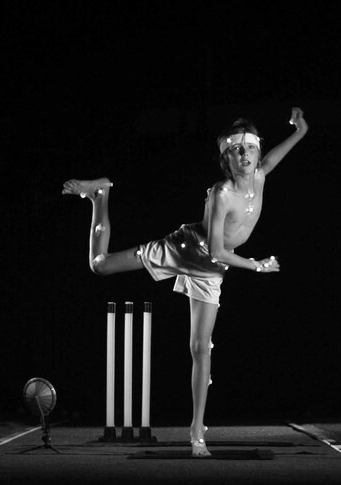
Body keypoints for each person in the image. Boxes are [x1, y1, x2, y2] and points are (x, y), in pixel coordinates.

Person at [62, 107, 308, 456]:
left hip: (209, 272)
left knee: (199, 348)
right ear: (227, 157)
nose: (245, 154)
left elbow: (273, 159)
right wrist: (257, 266)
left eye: (250, 148)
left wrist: (300, 131)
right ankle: (100, 195)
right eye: (237, 149)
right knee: (99, 265)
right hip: (185, 249)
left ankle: (197, 431)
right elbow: (220, 251)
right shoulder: (221, 193)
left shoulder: (261, 176)